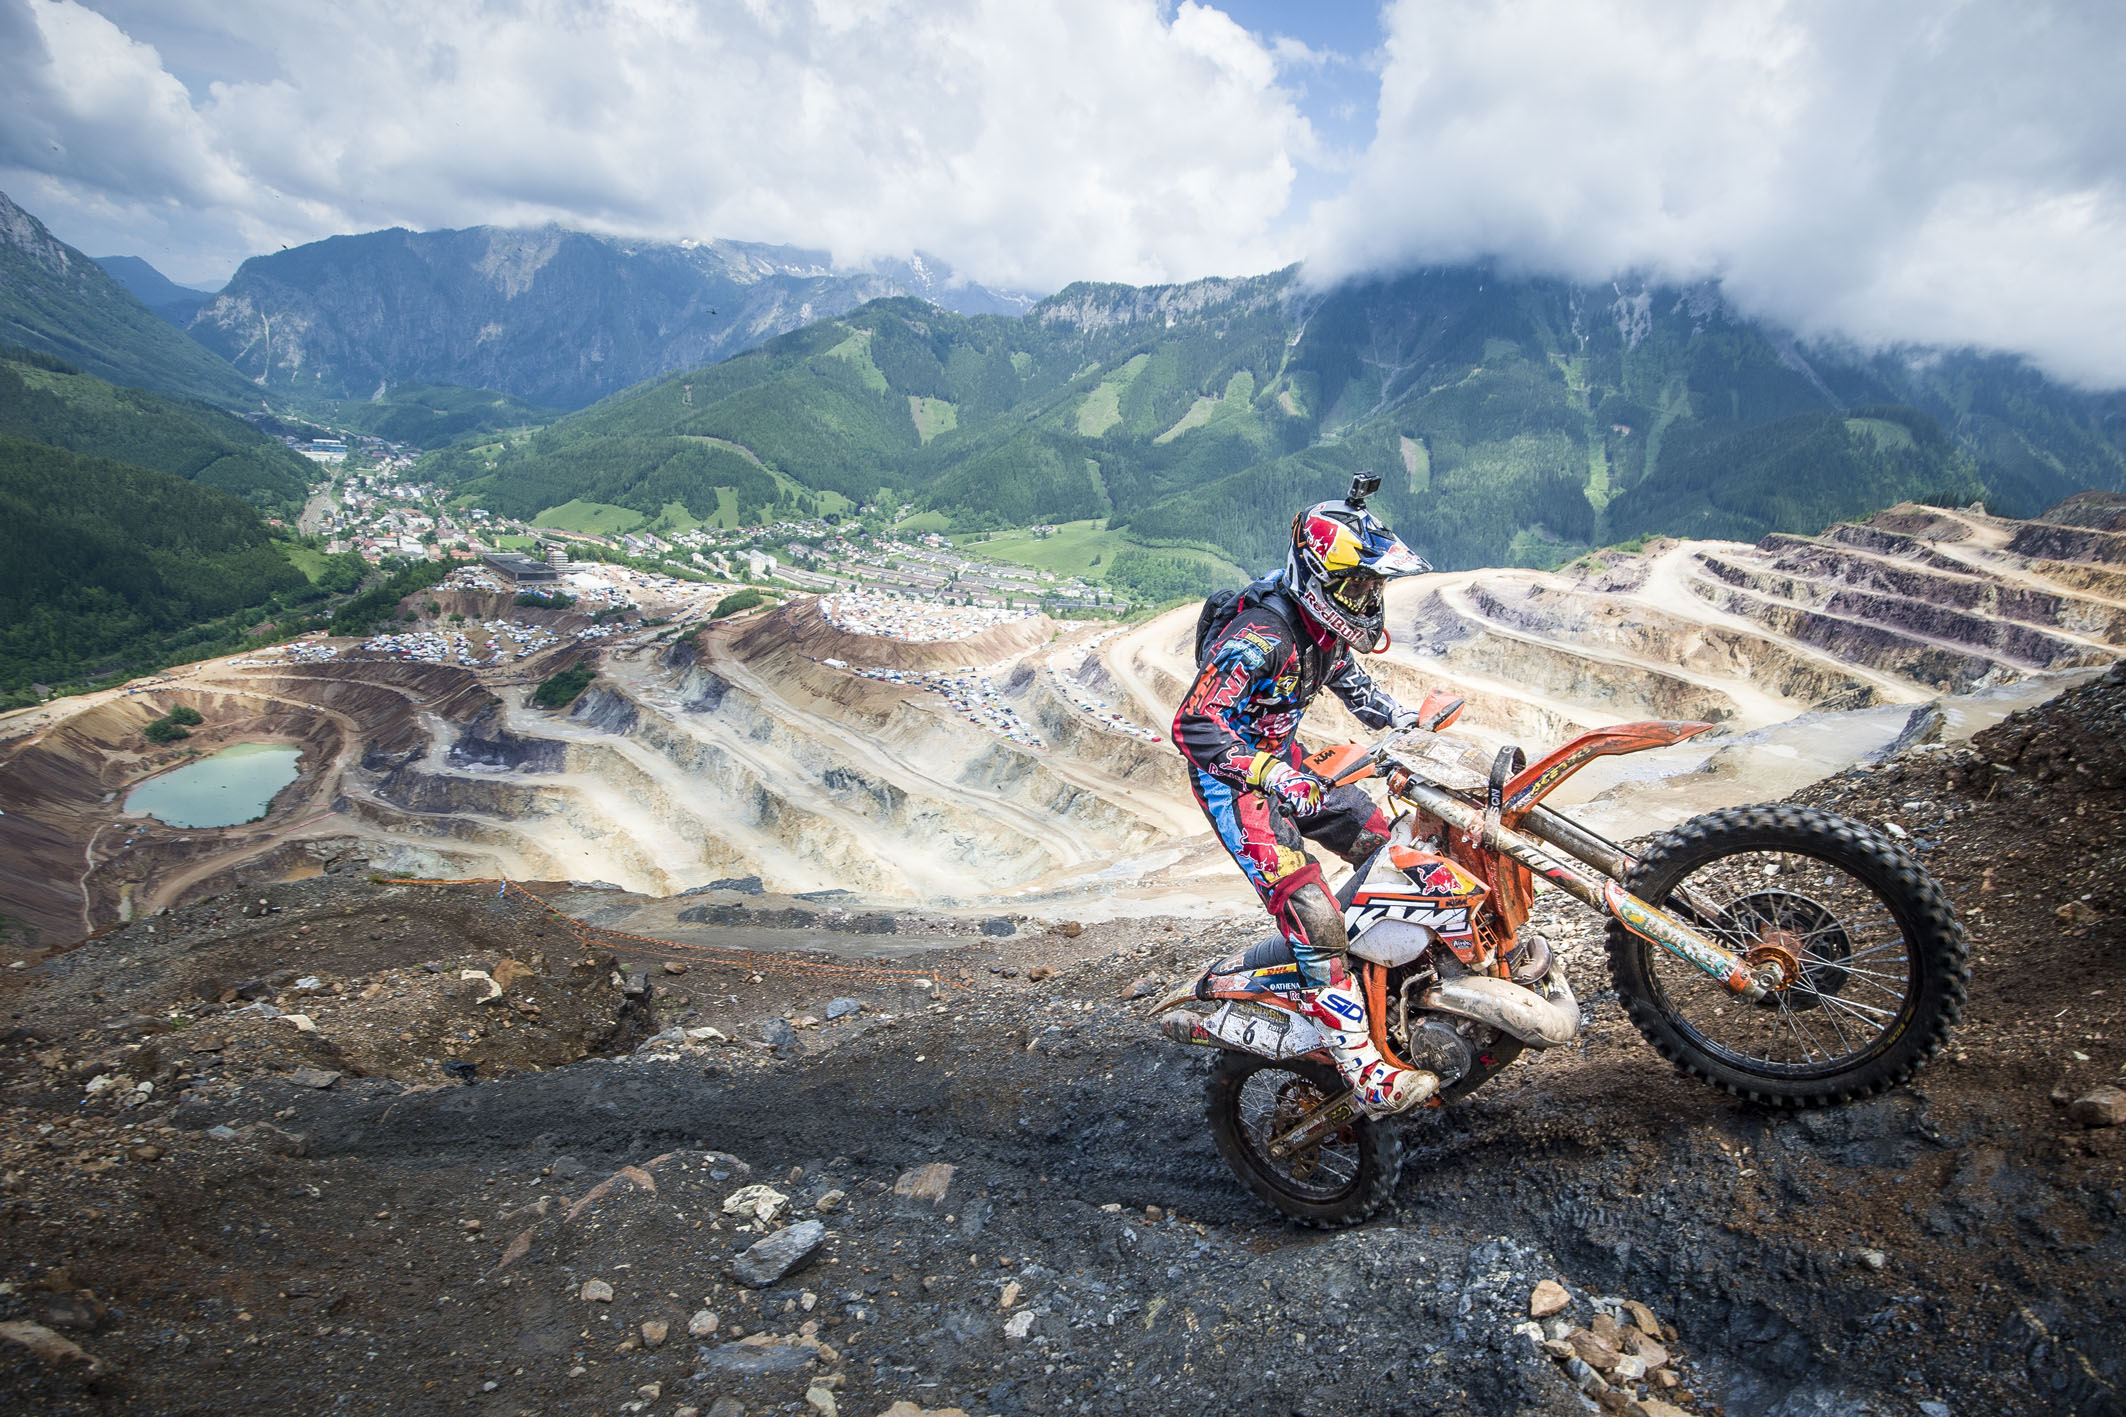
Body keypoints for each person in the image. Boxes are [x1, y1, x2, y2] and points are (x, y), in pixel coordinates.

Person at [1171, 475, 1448, 1116]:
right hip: (1236, 782)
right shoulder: (1260, 638)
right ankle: (1363, 1069)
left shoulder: (1320, 629)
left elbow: (1352, 683)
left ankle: (1391, 983)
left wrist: (1408, 724)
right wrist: (1269, 776)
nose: (1367, 599)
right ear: (1318, 577)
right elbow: (1194, 723)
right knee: (1312, 911)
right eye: (1357, 587)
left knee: (1391, 845)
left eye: (1372, 588)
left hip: (1289, 762)